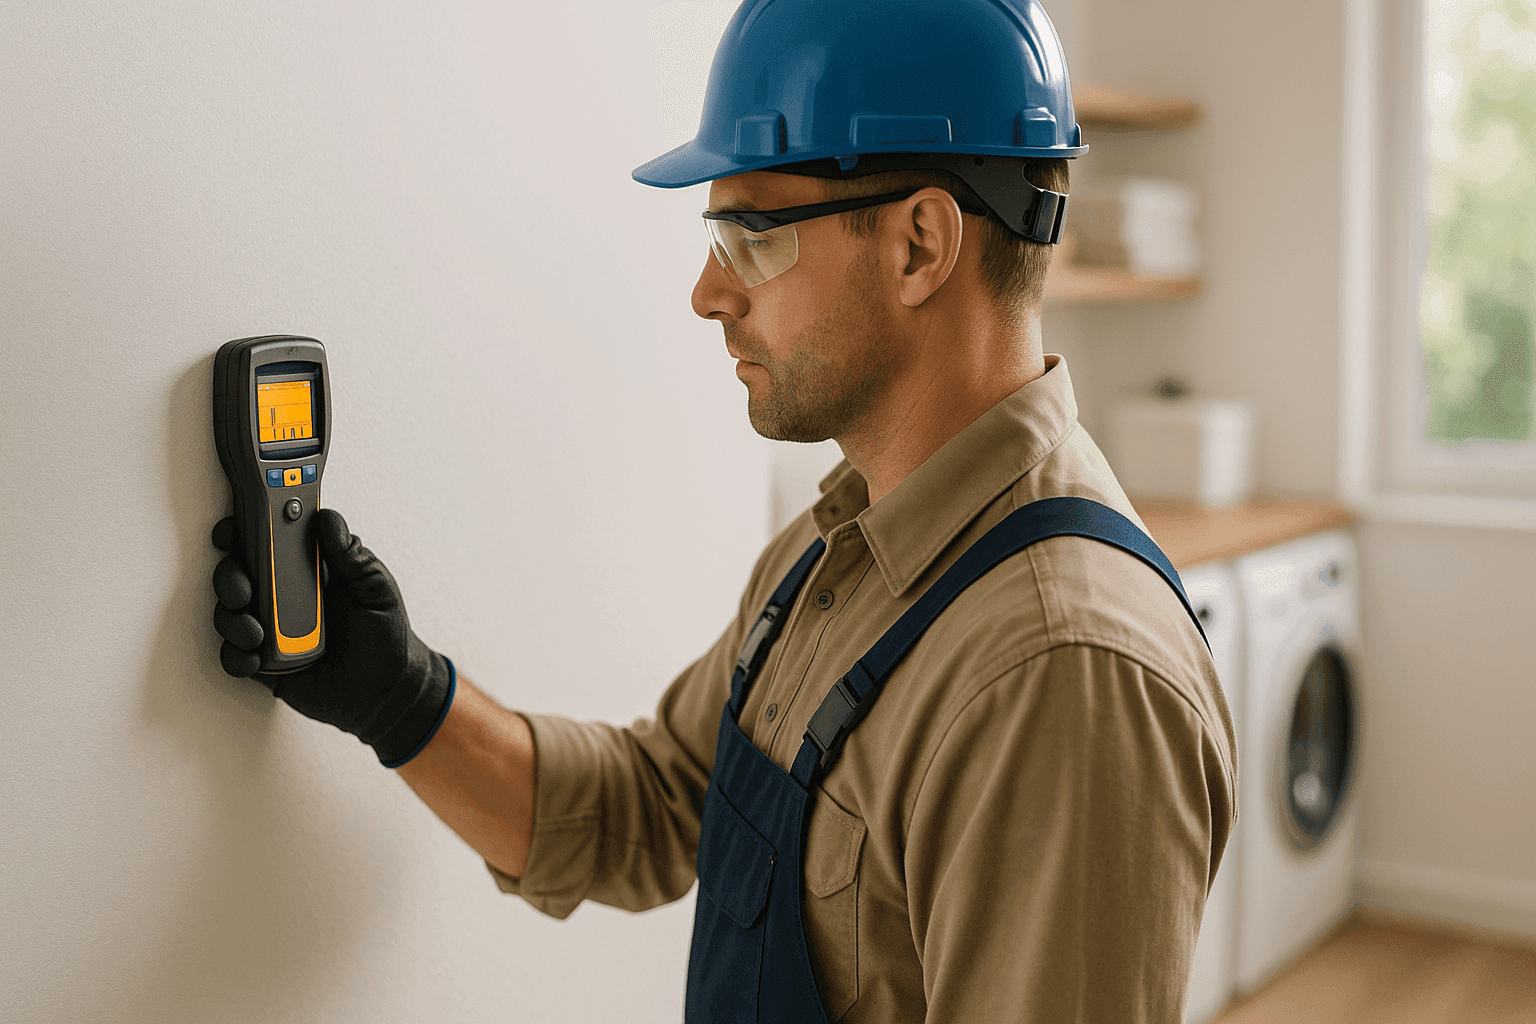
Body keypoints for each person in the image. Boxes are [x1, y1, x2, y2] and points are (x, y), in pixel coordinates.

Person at [209, 1, 1237, 1020]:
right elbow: (651, 806)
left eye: (748, 233)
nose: (708, 292)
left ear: (920, 245)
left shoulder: (1063, 674)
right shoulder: (837, 546)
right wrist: (398, 696)